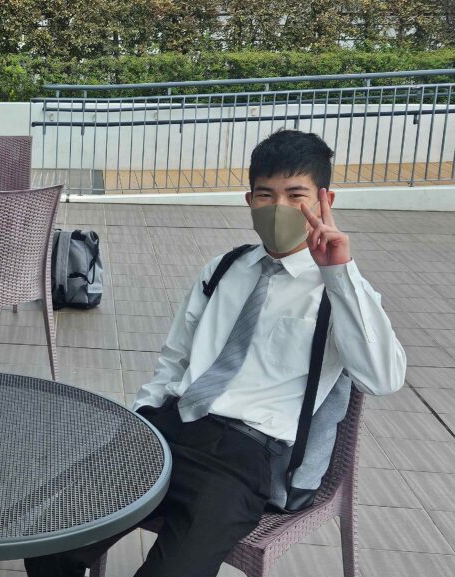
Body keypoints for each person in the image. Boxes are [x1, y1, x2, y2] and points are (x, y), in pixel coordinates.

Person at [24, 130, 407, 577]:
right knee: (51, 542)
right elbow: (175, 357)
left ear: (325, 201)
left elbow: (383, 378)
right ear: (249, 201)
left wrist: (340, 274)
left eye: (295, 195)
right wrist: (144, 417)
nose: (279, 207)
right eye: (266, 195)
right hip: (171, 425)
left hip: (245, 456)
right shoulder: (224, 269)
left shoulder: (340, 292)